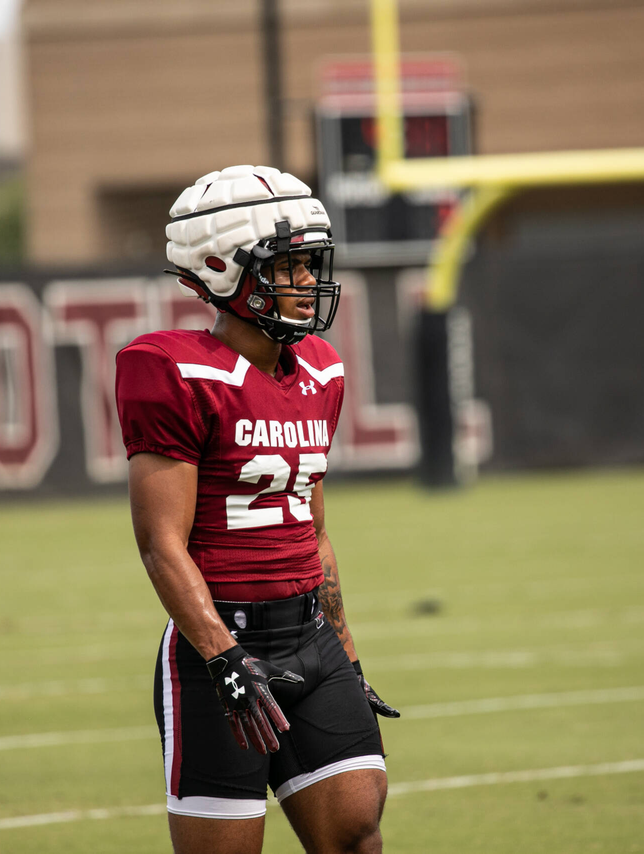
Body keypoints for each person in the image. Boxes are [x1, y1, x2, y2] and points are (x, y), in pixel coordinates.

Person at [115, 165, 399, 854]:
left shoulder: (320, 371)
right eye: (286, 266)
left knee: (357, 832)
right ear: (219, 271)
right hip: (223, 649)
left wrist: (348, 656)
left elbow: (314, 529)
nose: (306, 282)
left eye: (311, 264)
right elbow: (161, 544)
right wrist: (224, 657)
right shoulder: (175, 371)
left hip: (310, 637)